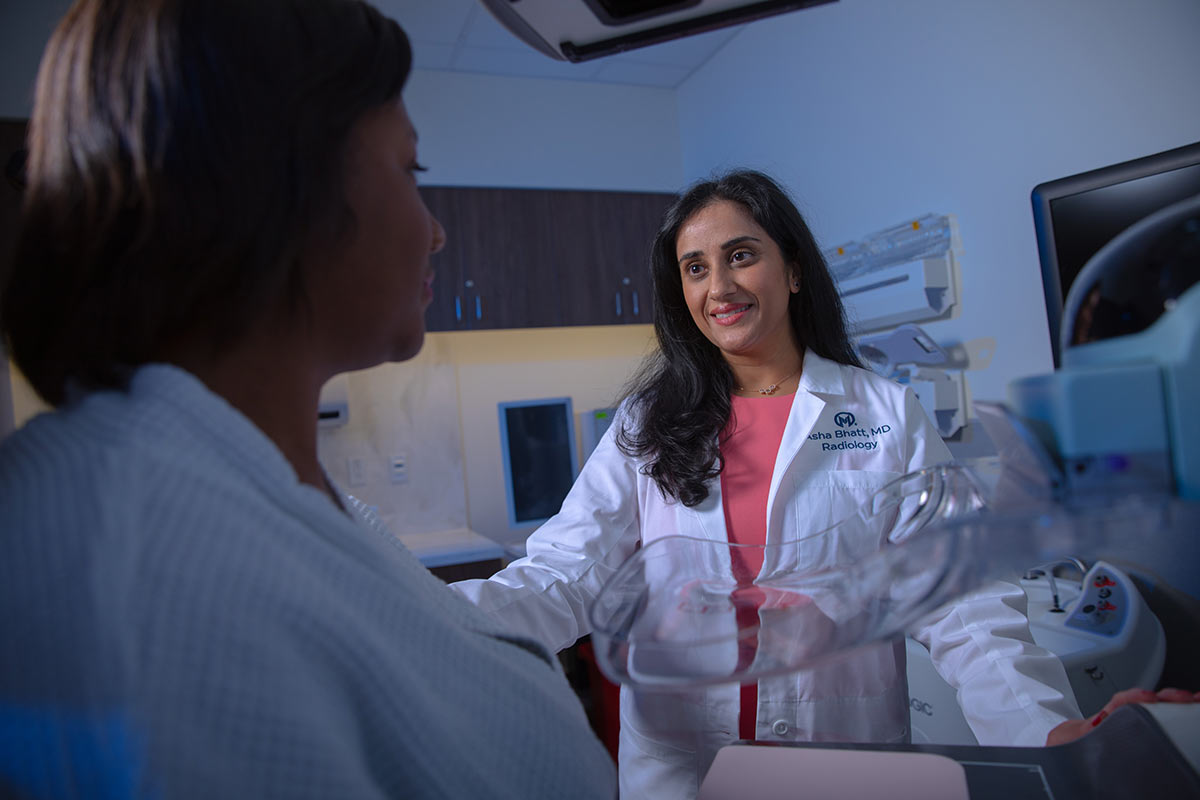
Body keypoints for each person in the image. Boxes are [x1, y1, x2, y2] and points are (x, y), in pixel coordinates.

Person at [0, 1, 616, 798]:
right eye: (409, 169)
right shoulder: (133, 579)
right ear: (274, 179)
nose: (435, 232)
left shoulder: (267, 491)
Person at [452, 170, 1085, 799]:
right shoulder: (647, 422)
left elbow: (963, 596)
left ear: (794, 270)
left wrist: (1044, 730)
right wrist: (433, 625)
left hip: (839, 759)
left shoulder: (882, 414)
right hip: (683, 764)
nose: (719, 286)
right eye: (695, 268)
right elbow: (565, 574)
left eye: (741, 256)